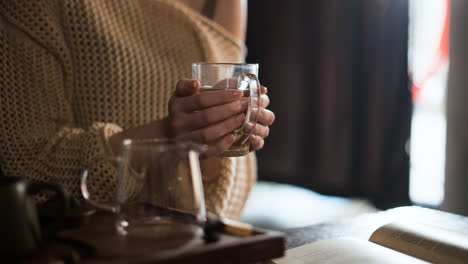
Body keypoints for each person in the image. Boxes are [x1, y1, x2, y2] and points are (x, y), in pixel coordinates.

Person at [0, 0, 275, 220]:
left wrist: (221, 131)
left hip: (201, 241)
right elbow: (26, 167)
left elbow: (225, 185)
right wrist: (166, 134)